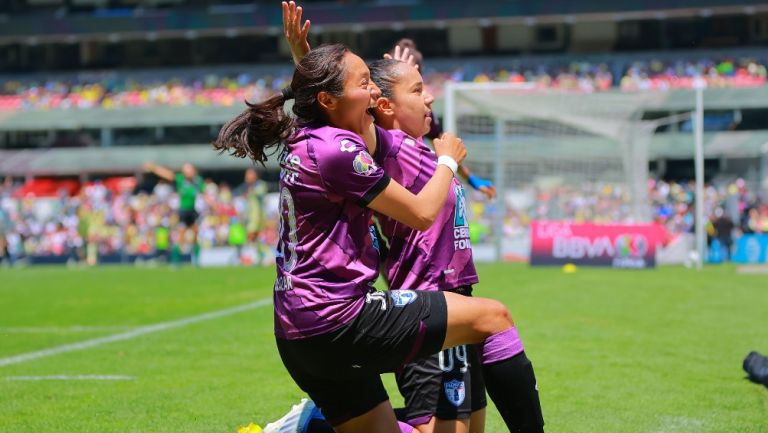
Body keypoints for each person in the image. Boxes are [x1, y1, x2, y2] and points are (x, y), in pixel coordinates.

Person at [215, 42, 543, 433]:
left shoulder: (315, 136)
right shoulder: (346, 148)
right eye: (367, 83)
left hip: (299, 331)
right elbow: (421, 214)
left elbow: (322, 95)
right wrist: (449, 161)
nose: (374, 93)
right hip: (338, 317)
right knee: (495, 317)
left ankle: (304, 427)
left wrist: (306, 56)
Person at [143, 161, 203, 266]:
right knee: (181, 237)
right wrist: (154, 168)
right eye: (186, 169)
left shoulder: (198, 181)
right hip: (183, 211)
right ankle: (176, 261)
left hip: (193, 211)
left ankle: (196, 261)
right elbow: (167, 174)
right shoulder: (181, 180)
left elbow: (204, 193)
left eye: (190, 169)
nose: (189, 172)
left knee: (195, 236)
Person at [234, 168, 269, 265]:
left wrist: (250, 191)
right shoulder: (246, 187)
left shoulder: (260, 185)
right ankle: (263, 256)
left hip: (257, 217)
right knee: (256, 238)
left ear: (255, 175)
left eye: (249, 174)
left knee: (251, 235)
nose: (247, 177)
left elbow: (260, 194)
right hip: (250, 216)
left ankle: (251, 257)